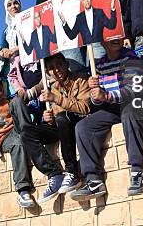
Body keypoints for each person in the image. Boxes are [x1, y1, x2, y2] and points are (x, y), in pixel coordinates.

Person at [70, 38, 143, 201]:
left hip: (133, 104)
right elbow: (96, 102)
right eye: (110, 37)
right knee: (83, 127)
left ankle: (138, 171)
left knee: (129, 113)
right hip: (112, 108)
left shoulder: (130, 57)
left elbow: (134, 90)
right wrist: (95, 92)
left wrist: (105, 95)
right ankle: (93, 180)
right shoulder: (98, 64)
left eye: (118, 35)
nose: (116, 39)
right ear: (102, 42)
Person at [0, 77, 36, 208]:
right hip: (3, 139)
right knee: (17, 143)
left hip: (17, 130)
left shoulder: (9, 102)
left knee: (18, 101)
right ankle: (23, 190)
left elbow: (27, 98)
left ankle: (31, 132)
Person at [41, 53, 91, 193]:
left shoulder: (81, 80)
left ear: (67, 64)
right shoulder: (54, 89)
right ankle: (54, 174)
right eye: (51, 68)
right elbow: (58, 116)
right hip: (65, 125)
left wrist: (57, 100)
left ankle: (71, 172)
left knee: (63, 118)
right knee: (27, 133)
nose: (56, 70)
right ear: (47, 73)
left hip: (82, 121)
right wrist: (49, 120)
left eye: (59, 65)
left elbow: (84, 108)